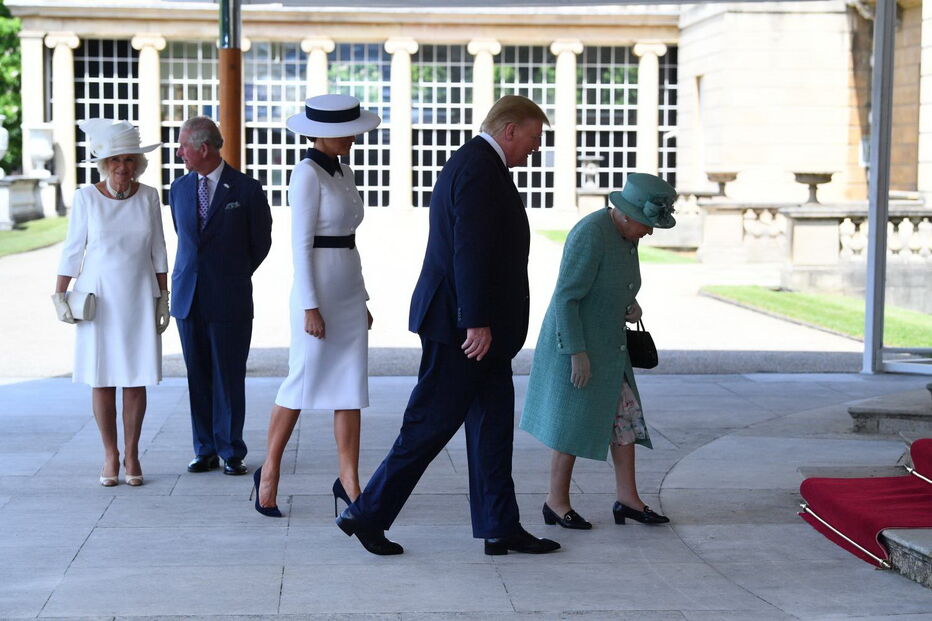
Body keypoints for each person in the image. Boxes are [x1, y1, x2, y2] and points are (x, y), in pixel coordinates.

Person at [335, 95, 560, 557]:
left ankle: (500, 527)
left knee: (492, 430)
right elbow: (469, 249)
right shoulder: (478, 167)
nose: (537, 148)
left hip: (482, 331)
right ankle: (366, 513)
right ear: (510, 130)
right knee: (429, 425)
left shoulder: (481, 163)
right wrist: (475, 321)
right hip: (463, 329)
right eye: (535, 138)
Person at [520, 173, 677, 529]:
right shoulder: (590, 233)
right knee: (571, 424)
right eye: (647, 223)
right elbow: (567, 296)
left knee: (625, 419)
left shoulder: (626, 234)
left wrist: (630, 305)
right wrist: (576, 353)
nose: (650, 232)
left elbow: (613, 282)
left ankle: (628, 499)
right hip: (579, 346)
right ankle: (555, 502)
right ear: (624, 213)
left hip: (611, 347)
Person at [252, 94, 380, 518]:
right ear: (322, 134)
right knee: (299, 382)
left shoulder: (344, 171)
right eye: (345, 131)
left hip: (346, 286)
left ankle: (350, 483)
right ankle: (268, 471)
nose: (353, 137)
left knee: (350, 387)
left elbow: (351, 241)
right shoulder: (306, 174)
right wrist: (310, 306)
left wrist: (361, 298)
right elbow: (299, 246)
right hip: (317, 290)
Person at [52, 118, 169, 487]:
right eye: (116, 160)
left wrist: (163, 296)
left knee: (135, 381)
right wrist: (60, 294)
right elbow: (73, 251)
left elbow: (159, 250)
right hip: (98, 300)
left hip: (138, 295)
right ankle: (110, 453)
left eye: (130, 160)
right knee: (101, 380)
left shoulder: (149, 196)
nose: (123, 167)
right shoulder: (86, 198)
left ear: (138, 163)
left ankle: (132, 453)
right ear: (104, 164)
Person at [169, 116, 273, 476]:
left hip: (229, 298)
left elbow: (261, 243)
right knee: (197, 375)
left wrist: (232, 274)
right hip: (187, 298)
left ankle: (231, 450)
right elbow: (185, 238)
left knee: (228, 377)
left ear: (204, 148)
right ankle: (205, 450)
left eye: (183, 146)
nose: (179, 152)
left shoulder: (246, 190)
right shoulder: (178, 189)